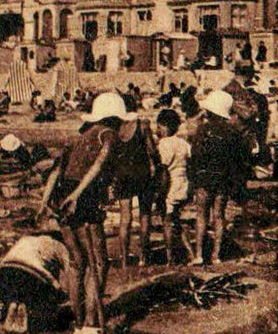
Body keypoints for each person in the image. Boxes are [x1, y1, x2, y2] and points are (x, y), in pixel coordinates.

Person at [40, 91, 127, 334]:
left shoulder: (79, 138)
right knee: (99, 262)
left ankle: (78, 324)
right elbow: (99, 164)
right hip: (83, 195)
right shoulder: (107, 135)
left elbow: (56, 171)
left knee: (77, 262)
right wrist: (78, 194)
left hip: (61, 194)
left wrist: (45, 202)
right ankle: (90, 323)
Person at [189, 90, 251, 266]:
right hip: (223, 179)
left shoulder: (203, 130)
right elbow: (237, 158)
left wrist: (194, 177)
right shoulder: (232, 132)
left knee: (201, 215)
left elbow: (196, 154)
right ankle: (216, 255)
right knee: (219, 216)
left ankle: (199, 254)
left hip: (204, 178)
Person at [108, 107, 160, 268]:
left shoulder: (115, 127)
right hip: (142, 173)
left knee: (125, 217)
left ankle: (124, 259)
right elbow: (151, 150)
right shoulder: (142, 125)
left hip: (122, 174)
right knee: (144, 214)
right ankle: (143, 257)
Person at [154, 108, 194, 266]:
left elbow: (163, 171)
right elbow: (190, 165)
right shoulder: (184, 143)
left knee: (168, 222)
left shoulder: (163, 144)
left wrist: (160, 193)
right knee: (179, 221)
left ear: (164, 126)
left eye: (159, 127)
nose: (157, 130)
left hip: (170, 183)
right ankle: (190, 252)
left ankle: (170, 257)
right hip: (184, 183)